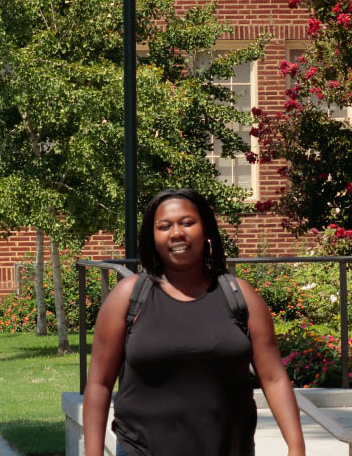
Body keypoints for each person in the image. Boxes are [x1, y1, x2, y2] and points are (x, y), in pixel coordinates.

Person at [82, 188, 305, 456]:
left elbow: (273, 378)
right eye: (164, 226)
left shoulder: (240, 297)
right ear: (152, 238)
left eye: (187, 223)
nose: (176, 233)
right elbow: (99, 384)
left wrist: (296, 447)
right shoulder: (128, 298)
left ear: (207, 230)